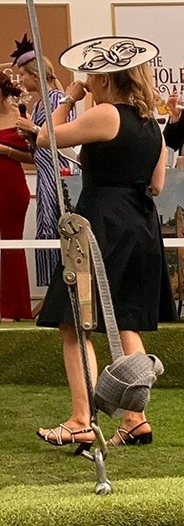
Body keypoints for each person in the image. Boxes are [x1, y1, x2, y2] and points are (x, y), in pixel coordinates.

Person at [29, 38, 173, 449]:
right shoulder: (152, 126)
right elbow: (158, 185)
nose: (87, 80)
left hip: (102, 225)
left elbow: (45, 138)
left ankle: (81, 418)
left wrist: (68, 97)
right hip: (141, 224)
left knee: (72, 320)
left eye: (92, 74)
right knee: (125, 318)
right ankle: (135, 418)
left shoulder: (106, 114)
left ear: (106, 77)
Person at [13, 35, 72, 289]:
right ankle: (52, 288)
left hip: (59, 173)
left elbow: (62, 136)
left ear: (34, 75)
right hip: (46, 174)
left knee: (57, 226)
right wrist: (30, 135)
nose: (22, 82)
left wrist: (34, 128)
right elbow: (41, 141)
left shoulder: (57, 100)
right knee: (46, 226)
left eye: (24, 76)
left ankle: (62, 286)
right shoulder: (39, 104)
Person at [0, 68, 34, 319]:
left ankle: (16, 309)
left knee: (13, 245)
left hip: (11, 185)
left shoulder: (20, 115)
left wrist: (6, 151)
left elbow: (35, 155)